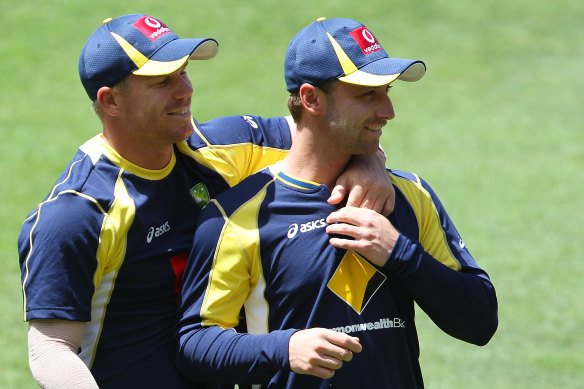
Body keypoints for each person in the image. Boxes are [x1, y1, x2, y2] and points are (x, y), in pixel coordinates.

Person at [18, 14, 394, 389]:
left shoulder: (218, 149)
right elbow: (50, 348)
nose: (184, 90)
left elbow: (331, 127)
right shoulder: (79, 212)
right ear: (111, 100)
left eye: (183, 72)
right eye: (162, 81)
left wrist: (368, 162)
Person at [175, 17, 499, 388]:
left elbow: (480, 323)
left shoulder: (409, 195)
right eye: (367, 95)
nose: (388, 111)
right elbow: (193, 344)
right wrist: (285, 347)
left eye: (387, 90)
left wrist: (398, 253)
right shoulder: (236, 218)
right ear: (312, 98)